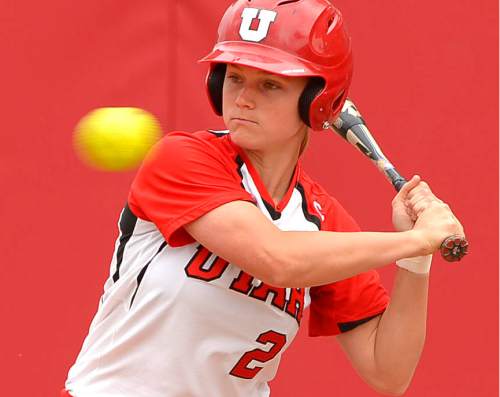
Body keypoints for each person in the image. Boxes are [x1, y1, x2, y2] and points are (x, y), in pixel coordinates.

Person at [63, 0, 464, 396]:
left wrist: (416, 260)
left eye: (270, 84)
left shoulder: (321, 221)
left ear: (317, 101)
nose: (243, 98)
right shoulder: (183, 159)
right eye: (235, 77)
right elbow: (277, 260)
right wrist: (416, 239)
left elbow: (388, 371)